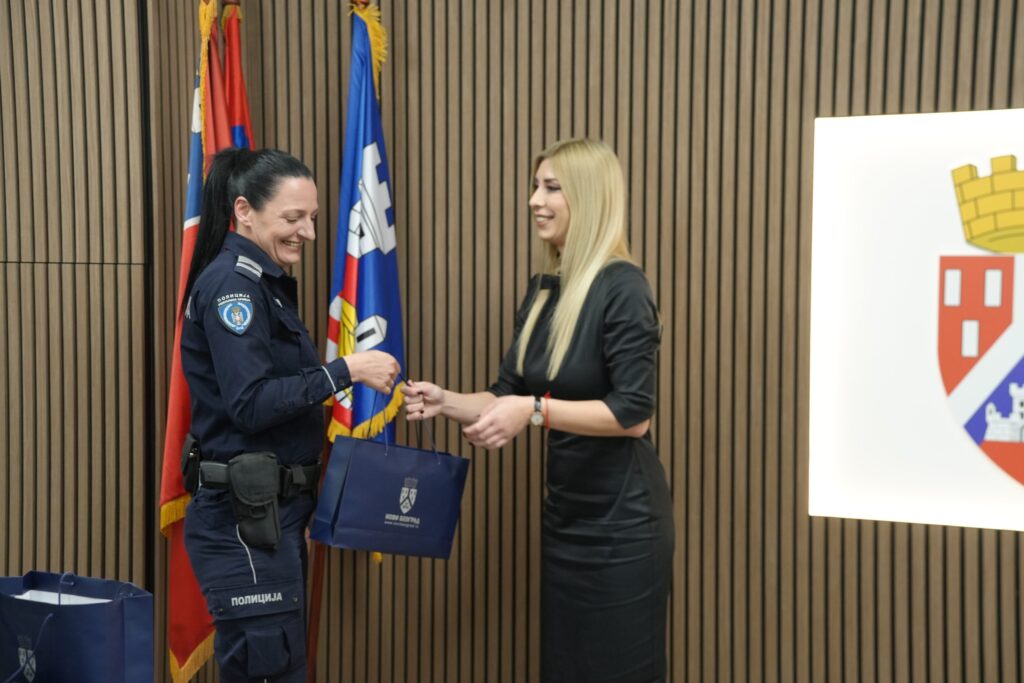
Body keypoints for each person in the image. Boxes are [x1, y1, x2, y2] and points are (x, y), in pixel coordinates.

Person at [403, 138, 674, 682]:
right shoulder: (545, 290)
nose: (534, 200)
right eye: (535, 186)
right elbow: (506, 392)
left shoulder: (624, 287)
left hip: (623, 528)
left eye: (551, 187)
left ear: (588, 197)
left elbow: (633, 414)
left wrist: (534, 411)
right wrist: (446, 401)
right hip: (565, 520)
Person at [178, 147, 399, 682]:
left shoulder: (263, 283)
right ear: (244, 211)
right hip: (244, 520)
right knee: (269, 670)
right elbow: (251, 403)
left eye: (313, 218)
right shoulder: (234, 287)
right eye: (294, 218)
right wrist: (345, 369)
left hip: (270, 517)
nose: (309, 232)